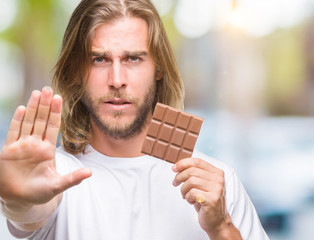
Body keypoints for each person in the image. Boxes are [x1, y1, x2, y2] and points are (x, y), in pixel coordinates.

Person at [0, 0, 269, 239]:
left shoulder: (218, 184)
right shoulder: (51, 175)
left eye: (133, 58)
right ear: (76, 72)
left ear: (159, 70)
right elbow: (29, 213)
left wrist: (221, 228)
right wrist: (17, 202)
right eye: (99, 59)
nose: (117, 80)